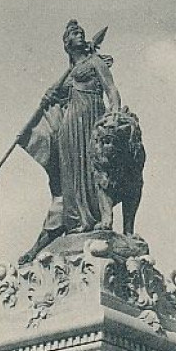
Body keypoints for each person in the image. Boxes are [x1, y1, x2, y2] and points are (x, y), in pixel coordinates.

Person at [18, 20, 121, 263]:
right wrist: (49, 94)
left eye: (81, 32)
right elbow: (55, 98)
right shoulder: (67, 75)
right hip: (69, 128)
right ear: (67, 43)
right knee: (71, 176)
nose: (80, 34)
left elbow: (112, 90)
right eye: (75, 33)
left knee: (94, 168)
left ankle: (95, 217)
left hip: (92, 118)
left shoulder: (94, 62)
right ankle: (76, 221)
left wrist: (114, 114)